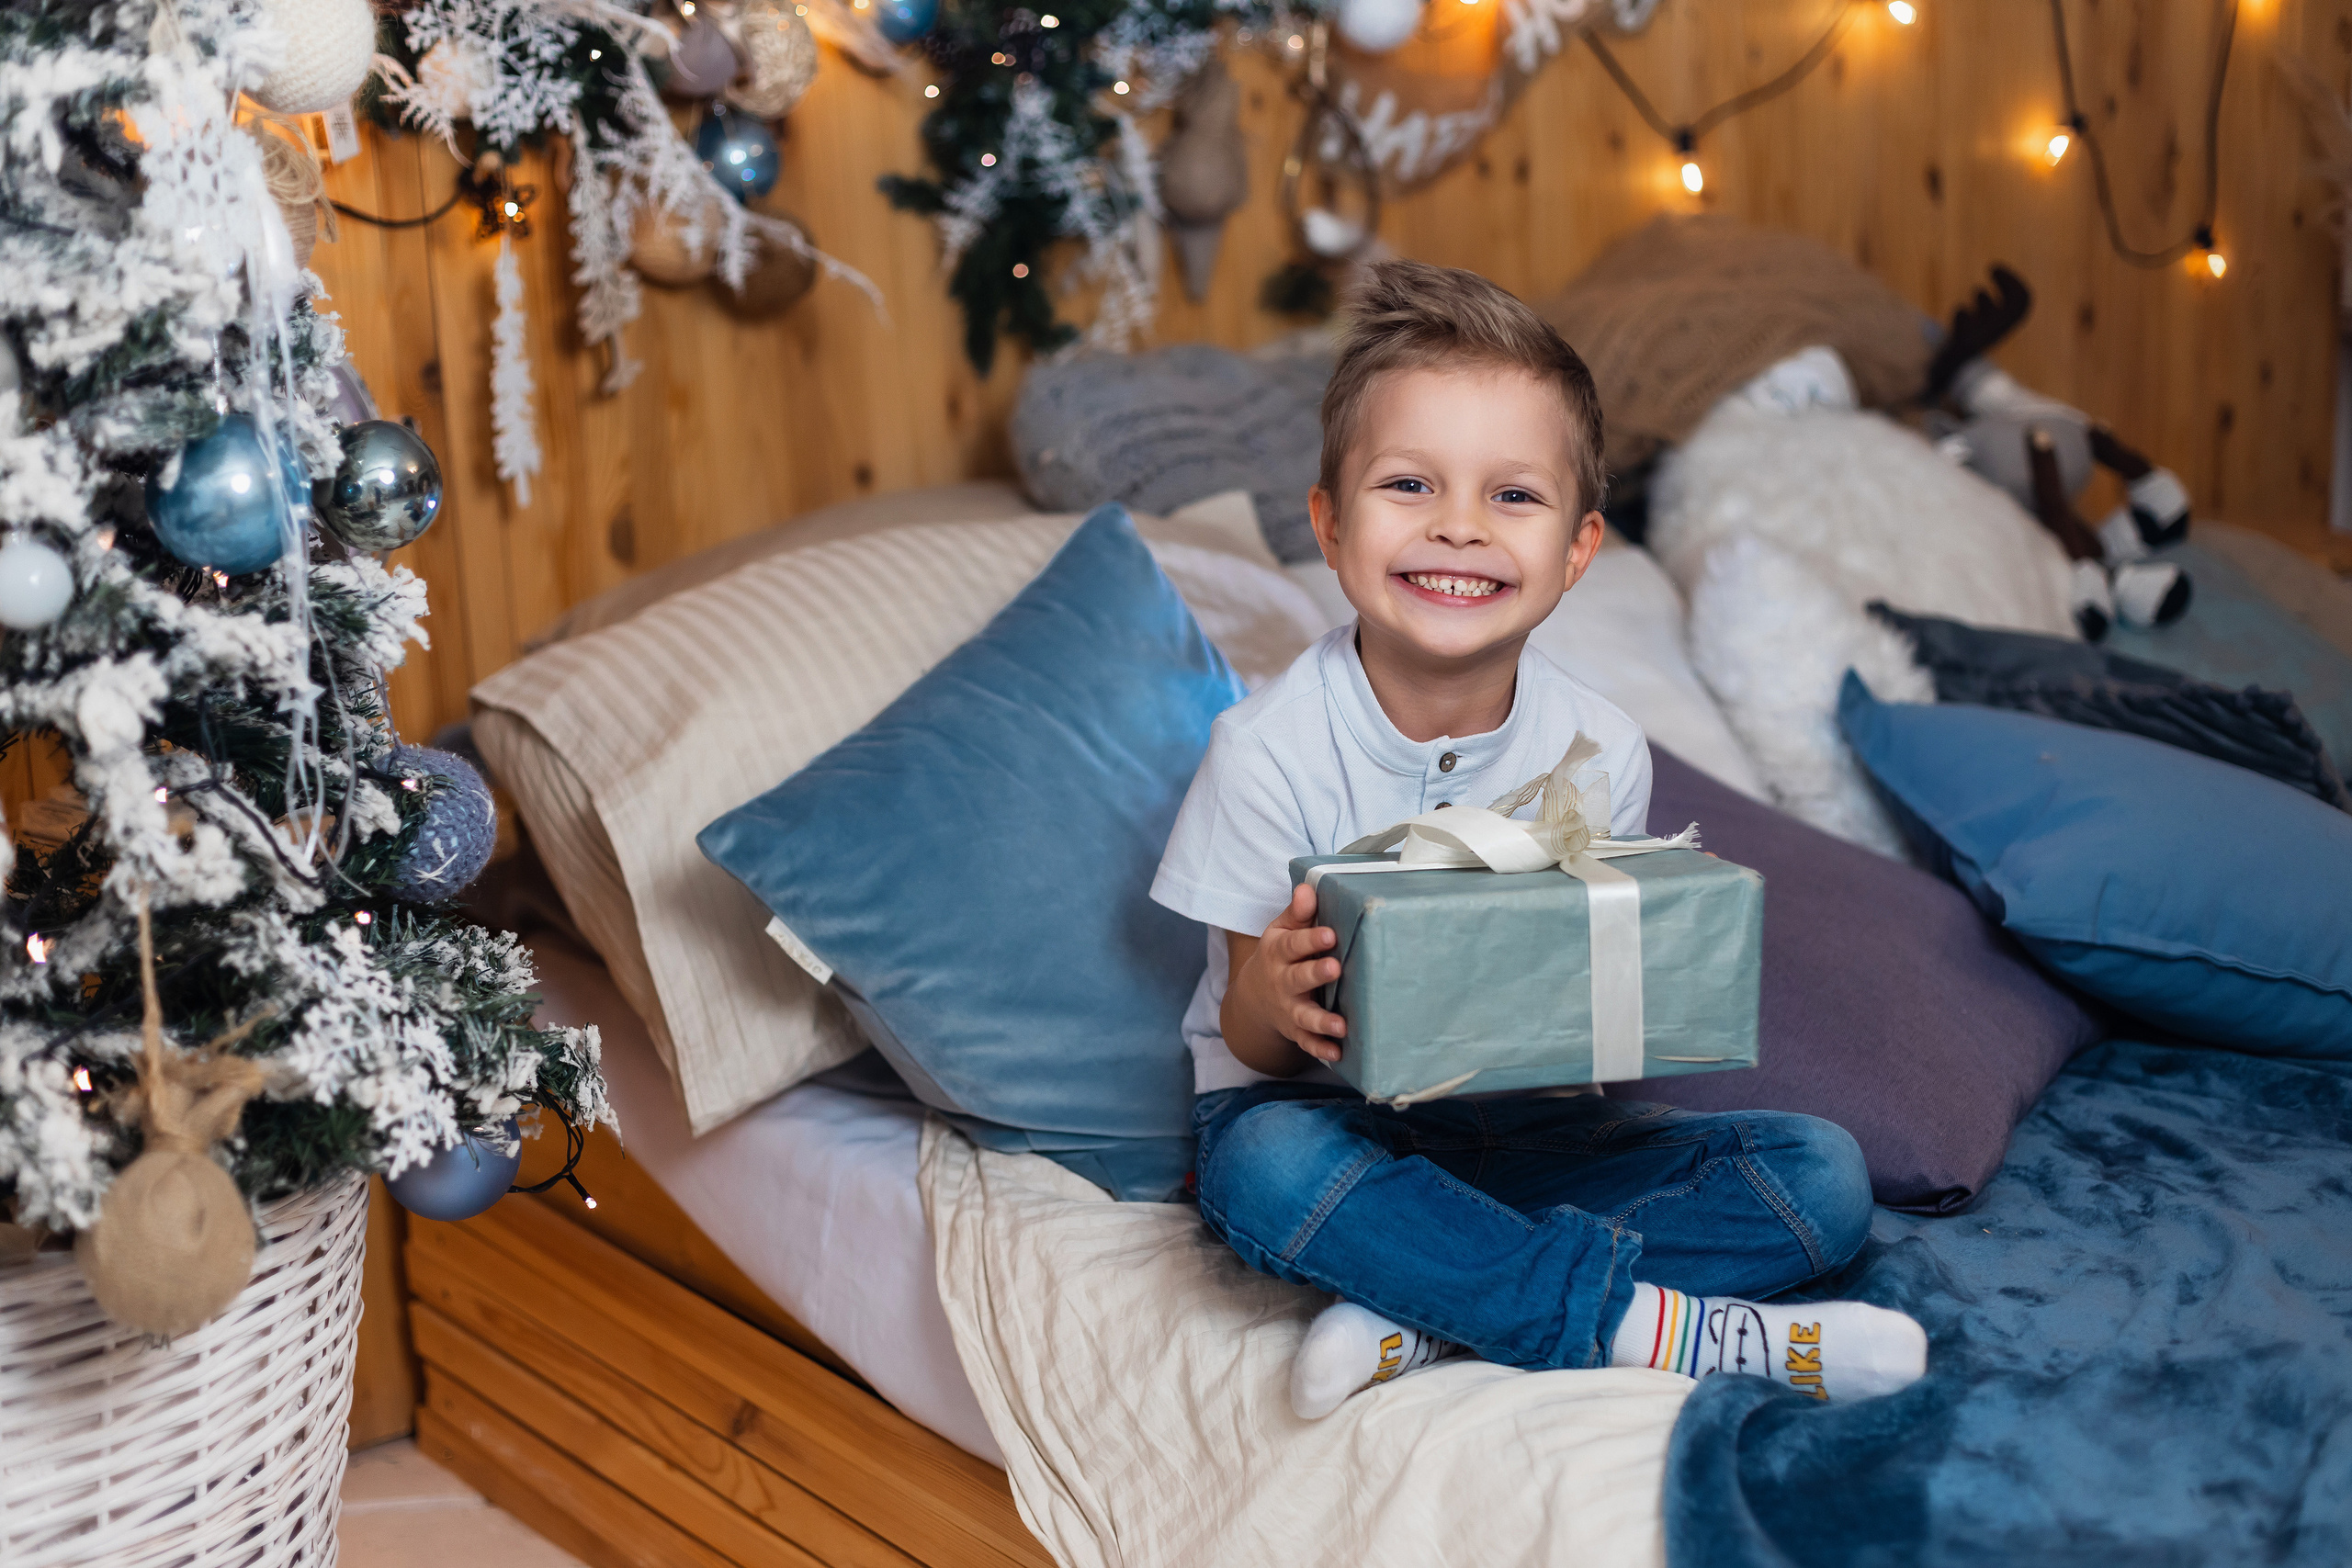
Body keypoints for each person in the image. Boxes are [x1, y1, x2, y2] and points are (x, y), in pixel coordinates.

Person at [1149, 259, 1928, 1420]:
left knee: (1817, 1177)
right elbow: (1249, 1048)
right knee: (1262, 1175)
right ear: (1328, 522)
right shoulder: (1264, 752)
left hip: (1517, 1130)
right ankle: (1663, 1329)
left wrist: (1619, 965)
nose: (1458, 526)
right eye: (1409, 485)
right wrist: (1276, 989)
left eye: (1512, 496)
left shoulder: (1599, 746)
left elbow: (1587, 1056)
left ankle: (1428, 1315)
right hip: (1319, 1120)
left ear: (1575, 550)